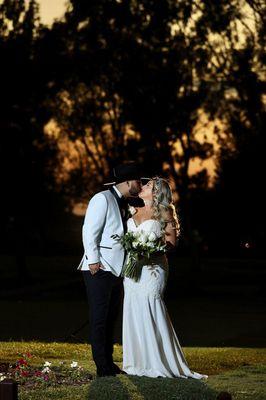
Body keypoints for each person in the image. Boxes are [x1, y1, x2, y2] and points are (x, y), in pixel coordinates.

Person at [122, 177, 208, 379]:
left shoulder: (164, 212)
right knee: (133, 306)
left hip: (153, 268)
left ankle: (159, 361)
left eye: (148, 185)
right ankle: (138, 361)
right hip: (132, 268)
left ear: (157, 193)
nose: (142, 186)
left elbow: (171, 242)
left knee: (151, 304)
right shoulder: (133, 210)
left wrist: (151, 250)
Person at [78, 162, 144, 377]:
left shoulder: (125, 202)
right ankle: (102, 366)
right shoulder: (102, 198)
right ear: (127, 182)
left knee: (110, 318)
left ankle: (109, 363)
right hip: (99, 268)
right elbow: (89, 231)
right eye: (137, 181)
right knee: (99, 318)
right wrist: (93, 261)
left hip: (117, 270)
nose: (139, 185)